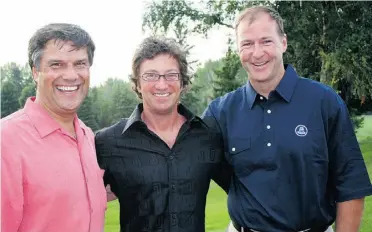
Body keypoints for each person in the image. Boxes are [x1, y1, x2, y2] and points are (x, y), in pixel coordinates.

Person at [202, 5, 372, 232]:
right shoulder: (220, 112)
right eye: (247, 44)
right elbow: (186, 161)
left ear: (283, 42)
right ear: (238, 49)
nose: (257, 52)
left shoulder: (323, 101)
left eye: (266, 41)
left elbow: (350, 185)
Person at [95, 36, 231, 232]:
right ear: (138, 84)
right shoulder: (107, 143)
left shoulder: (207, 138)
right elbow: (78, 204)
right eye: (150, 75)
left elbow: (243, 191)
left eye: (171, 75)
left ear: (182, 82)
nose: (161, 85)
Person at [1, 23, 107, 232]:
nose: (70, 75)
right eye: (56, 64)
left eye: (80, 64)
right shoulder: (5, 140)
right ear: (35, 72)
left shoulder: (87, 135)